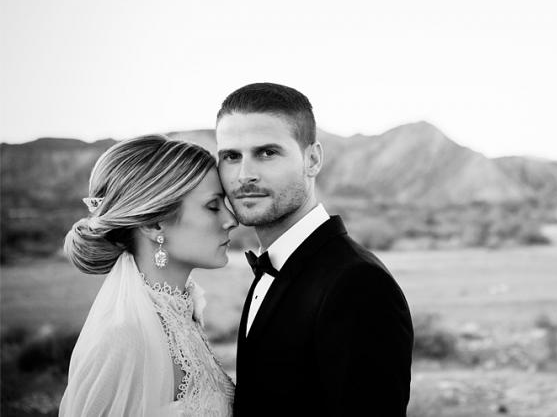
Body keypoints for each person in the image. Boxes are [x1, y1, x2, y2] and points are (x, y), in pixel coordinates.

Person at [216, 83, 414, 416]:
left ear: (313, 159)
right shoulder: (274, 266)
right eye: (231, 156)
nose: (244, 175)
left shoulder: (358, 283)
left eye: (267, 153)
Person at [59, 135, 238, 417]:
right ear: (154, 224)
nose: (232, 220)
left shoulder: (181, 315)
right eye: (213, 206)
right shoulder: (122, 340)